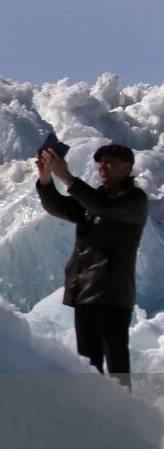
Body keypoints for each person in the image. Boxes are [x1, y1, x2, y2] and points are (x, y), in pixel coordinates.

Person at [36, 143, 148, 383]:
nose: (103, 166)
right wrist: (46, 179)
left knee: (116, 365)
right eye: (100, 162)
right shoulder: (95, 200)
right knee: (88, 366)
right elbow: (60, 207)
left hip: (112, 294)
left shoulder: (134, 200)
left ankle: (124, 417)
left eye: (110, 162)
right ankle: (97, 418)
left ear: (127, 167)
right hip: (85, 291)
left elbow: (104, 207)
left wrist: (67, 177)